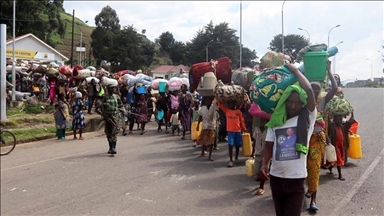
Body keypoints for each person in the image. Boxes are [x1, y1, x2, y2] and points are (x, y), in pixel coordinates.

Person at [261, 64, 317, 216]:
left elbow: (310, 92)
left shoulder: (306, 119)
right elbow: (268, 146)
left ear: (302, 104)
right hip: (276, 178)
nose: (293, 105)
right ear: (285, 101)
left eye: (297, 102)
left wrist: (296, 71)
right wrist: (264, 163)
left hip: (296, 179)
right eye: (290, 101)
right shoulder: (276, 121)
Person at [306, 61, 338, 211]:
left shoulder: (322, 101)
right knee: (302, 168)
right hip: (301, 140)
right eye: (311, 88)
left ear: (320, 91)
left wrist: (329, 70)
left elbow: (335, 88)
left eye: (316, 88)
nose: (314, 90)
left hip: (317, 140)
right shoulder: (301, 101)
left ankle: (313, 200)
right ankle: (304, 191)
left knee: (314, 168)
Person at [216, 100, 247, 167]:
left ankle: (236, 158)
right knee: (230, 145)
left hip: (238, 131)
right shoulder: (227, 111)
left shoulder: (238, 112)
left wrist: (244, 128)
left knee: (237, 145)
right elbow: (220, 105)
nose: (231, 105)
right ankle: (230, 160)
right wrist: (217, 99)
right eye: (229, 104)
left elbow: (241, 121)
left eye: (232, 104)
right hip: (230, 131)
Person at [327, 113, 355, 181]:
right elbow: (327, 125)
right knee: (339, 159)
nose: (339, 121)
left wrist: (352, 113)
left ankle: (330, 167)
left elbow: (351, 121)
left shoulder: (342, 126)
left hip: (341, 145)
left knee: (337, 159)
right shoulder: (332, 125)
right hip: (335, 145)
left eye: (340, 119)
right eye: (338, 119)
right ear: (334, 120)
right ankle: (340, 175)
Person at [97, 85, 123, 154]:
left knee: (114, 132)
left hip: (115, 117)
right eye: (110, 88)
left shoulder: (116, 97)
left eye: (113, 88)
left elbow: (121, 106)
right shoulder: (104, 97)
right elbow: (98, 108)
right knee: (108, 133)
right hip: (107, 117)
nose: (112, 89)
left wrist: (124, 111)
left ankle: (113, 148)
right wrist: (103, 113)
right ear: (107, 89)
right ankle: (110, 147)